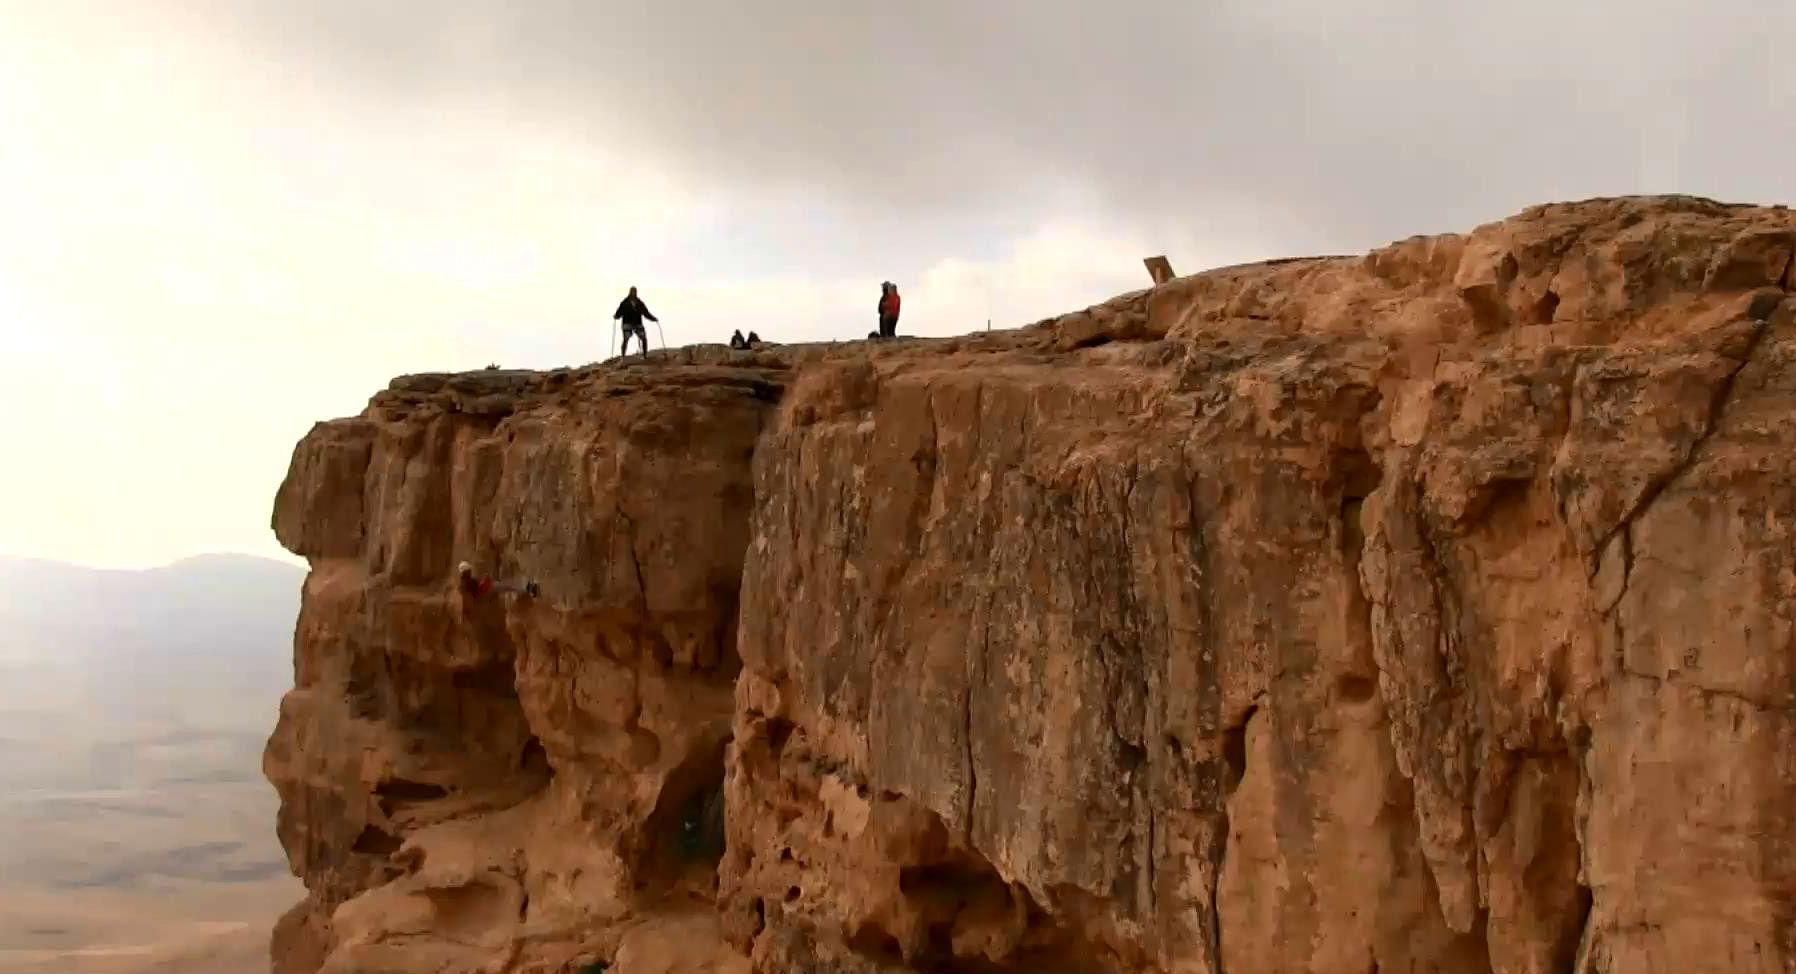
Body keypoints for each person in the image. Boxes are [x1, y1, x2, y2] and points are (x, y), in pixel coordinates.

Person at [613, 287, 658, 358]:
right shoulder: (625, 302)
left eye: (634, 292)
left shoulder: (639, 303)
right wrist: (616, 316)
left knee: (643, 338)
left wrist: (653, 318)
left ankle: (645, 355)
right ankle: (623, 356)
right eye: (632, 291)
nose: (633, 293)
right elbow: (619, 312)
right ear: (630, 292)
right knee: (626, 339)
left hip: (637, 323)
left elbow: (646, 313)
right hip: (627, 323)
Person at [457, 561, 540, 599]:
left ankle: (527, 589)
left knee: (507, 585)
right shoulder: (466, 582)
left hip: (486, 588)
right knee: (507, 586)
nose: (470, 572)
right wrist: (485, 580)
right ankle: (529, 589)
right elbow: (476, 590)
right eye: (469, 570)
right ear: (465, 571)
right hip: (486, 590)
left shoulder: (465, 581)